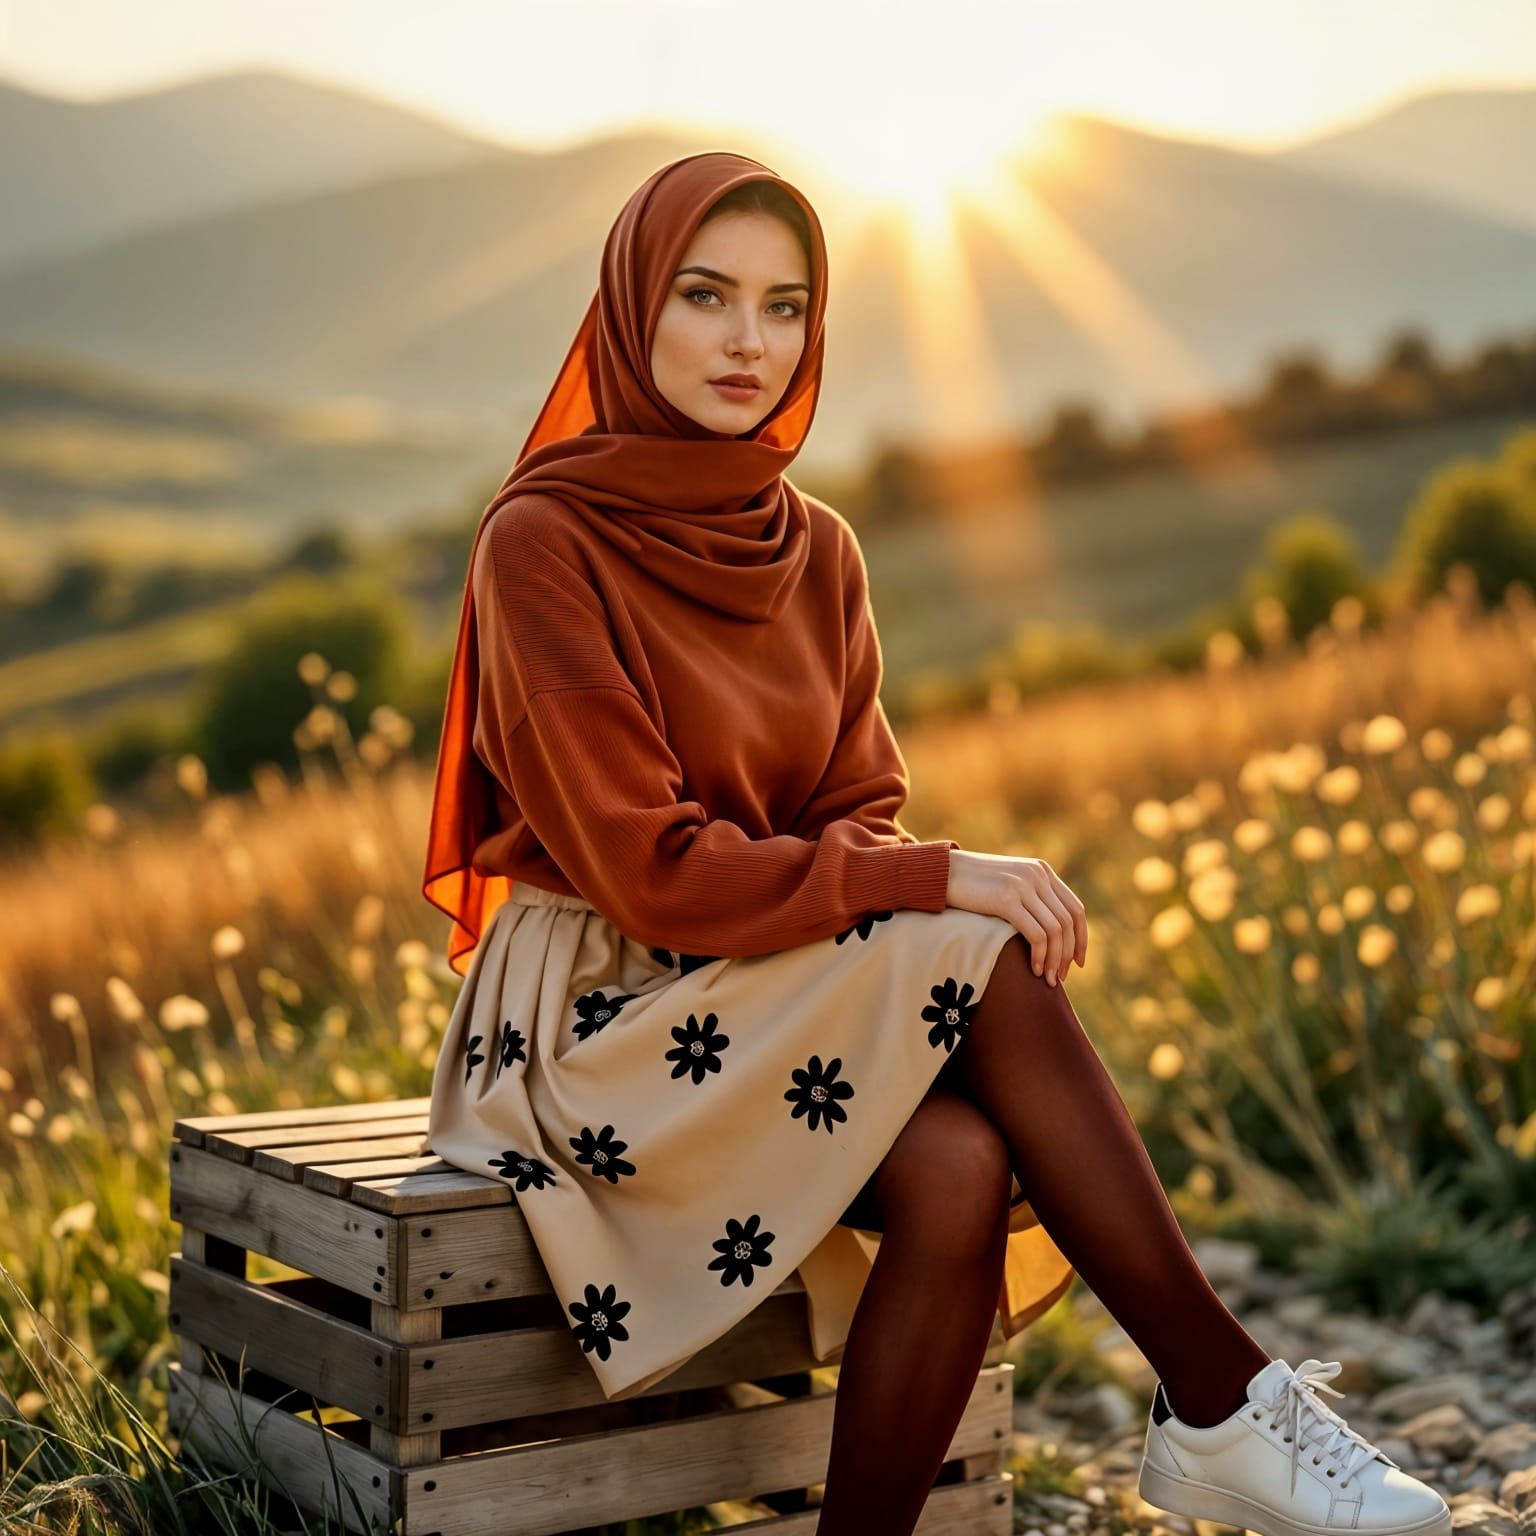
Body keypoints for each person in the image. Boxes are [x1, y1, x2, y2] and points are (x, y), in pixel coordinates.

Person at [421, 151, 1450, 1536]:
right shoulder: (543, 540)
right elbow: (648, 869)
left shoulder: (818, 548)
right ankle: (1218, 1400)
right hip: (600, 1027)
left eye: (786, 307)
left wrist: (908, 880)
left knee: (961, 1162)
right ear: (628, 310)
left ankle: (1158, 1434)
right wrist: (940, 880)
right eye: (705, 295)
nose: (748, 341)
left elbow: (855, 811)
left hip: (769, 980)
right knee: (984, 945)